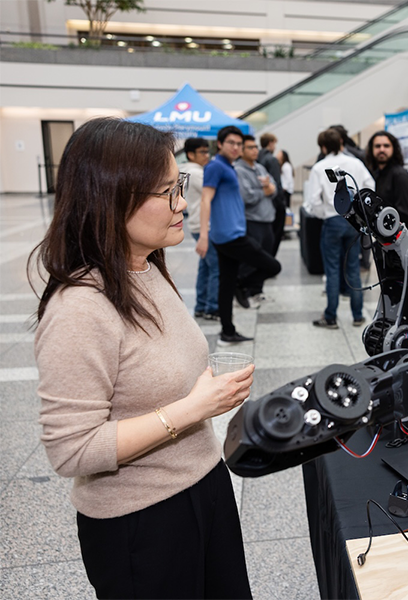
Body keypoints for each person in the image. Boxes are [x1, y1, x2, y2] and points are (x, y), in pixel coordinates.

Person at [29, 117, 254, 599]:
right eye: (167, 192)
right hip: (143, 522)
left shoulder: (145, 267)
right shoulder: (80, 308)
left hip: (203, 485)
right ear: (111, 198)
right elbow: (72, 450)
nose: (182, 204)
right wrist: (193, 409)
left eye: (180, 186)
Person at [196, 125, 281, 345]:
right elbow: (205, 199)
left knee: (226, 284)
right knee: (273, 266)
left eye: (239, 144)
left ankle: (227, 331)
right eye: (231, 143)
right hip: (229, 236)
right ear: (220, 144)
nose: (236, 147)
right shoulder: (215, 166)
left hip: (230, 233)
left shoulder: (228, 166)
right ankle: (242, 285)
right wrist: (203, 235)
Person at [306, 128, 373, 329]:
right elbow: (370, 187)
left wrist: (323, 213)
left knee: (332, 270)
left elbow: (313, 200)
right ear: (342, 143)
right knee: (353, 268)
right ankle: (358, 315)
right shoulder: (356, 163)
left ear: (323, 147)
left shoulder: (319, 168)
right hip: (353, 221)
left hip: (332, 221)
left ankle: (331, 316)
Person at [234, 134, 277, 307]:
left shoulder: (260, 168)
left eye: (255, 147)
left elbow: (274, 188)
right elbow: (246, 196)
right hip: (252, 221)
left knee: (267, 258)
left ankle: (257, 291)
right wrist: (264, 189)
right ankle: (243, 289)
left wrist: (267, 188)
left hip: (267, 220)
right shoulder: (239, 170)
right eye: (250, 147)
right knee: (252, 260)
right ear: (241, 150)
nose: (254, 150)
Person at [183, 137, 219, 320]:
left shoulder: (187, 171)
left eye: (207, 151)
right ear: (191, 154)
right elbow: (215, 191)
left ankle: (201, 305)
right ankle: (212, 308)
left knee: (205, 267)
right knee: (216, 267)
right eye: (202, 152)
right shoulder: (196, 173)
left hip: (197, 224)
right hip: (204, 225)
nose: (207, 156)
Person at [365, 130, 408, 233]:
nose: (382, 149)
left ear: (393, 148)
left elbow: (406, 214)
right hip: (384, 236)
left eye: (386, 146)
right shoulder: (377, 174)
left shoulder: (400, 175)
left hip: (400, 239)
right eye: (377, 146)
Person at [258, 132, 286, 258]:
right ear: (270, 143)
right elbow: (277, 184)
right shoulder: (271, 159)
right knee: (274, 236)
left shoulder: (257, 159)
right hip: (274, 204)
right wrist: (281, 204)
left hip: (261, 204)